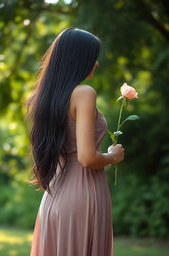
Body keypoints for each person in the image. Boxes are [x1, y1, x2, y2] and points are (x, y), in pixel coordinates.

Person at [24, 27, 124, 256]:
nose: (96, 64)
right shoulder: (83, 93)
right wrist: (113, 156)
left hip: (55, 197)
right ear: (78, 59)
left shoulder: (47, 97)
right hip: (83, 195)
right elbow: (87, 158)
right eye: (92, 57)